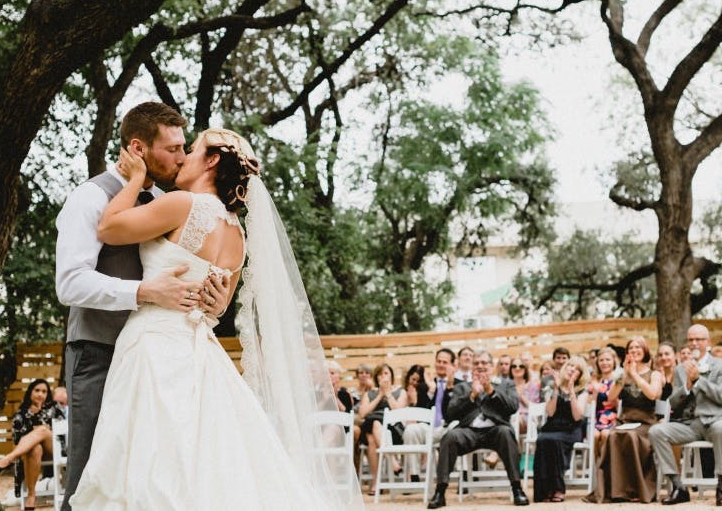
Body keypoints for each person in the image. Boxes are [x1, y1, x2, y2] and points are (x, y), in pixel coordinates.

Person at [68, 128, 361, 509]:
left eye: (191, 150)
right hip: (201, 354)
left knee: (151, 460)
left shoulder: (182, 204)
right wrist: (218, 306)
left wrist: (137, 178)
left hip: (154, 345)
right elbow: (218, 305)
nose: (183, 157)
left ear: (211, 161)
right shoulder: (237, 235)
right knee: (208, 461)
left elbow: (109, 227)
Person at [54, 102, 218, 511]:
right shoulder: (89, 197)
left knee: (147, 476)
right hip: (98, 351)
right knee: (91, 473)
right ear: (138, 149)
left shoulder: (168, 201)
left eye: (185, 148)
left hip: (158, 360)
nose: (182, 157)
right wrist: (143, 293)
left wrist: (213, 298)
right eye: (174, 149)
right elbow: (69, 283)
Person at [427, 350, 529, 508]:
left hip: (496, 430)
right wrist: (472, 396)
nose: (480, 366)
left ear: (491, 366)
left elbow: (513, 407)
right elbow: (451, 413)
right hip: (469, 431)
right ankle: (440, 492)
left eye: (484, 363)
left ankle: (517, 489)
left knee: (506, 433)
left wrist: (491, 391)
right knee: (450, 437)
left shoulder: (505, 384)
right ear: (472, 367)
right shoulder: (462, 387)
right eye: (476, 363)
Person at [649, 324, 722, 507]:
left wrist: (699, 380)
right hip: (692, 424)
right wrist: (687, 386)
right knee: (657, 431)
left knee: (721, 430)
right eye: (691, 340)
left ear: (708, 342)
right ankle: (678, 486)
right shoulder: (681, 369)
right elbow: (673, 402)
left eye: (699, 339)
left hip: (718, 420)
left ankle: (721, 487)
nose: (694, 343)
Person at [584, 337, 663, 503]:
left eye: (637, 347)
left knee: (631, 437)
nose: (634, 351)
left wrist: (635, 374)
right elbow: (611, 397)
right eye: (631, 348)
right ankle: (616, 490)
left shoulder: (654, 374)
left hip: (646, 422)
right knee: (612, 436)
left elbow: (653, 394)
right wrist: (625, 374)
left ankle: (636, 489)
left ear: (645, 350)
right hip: (625, 420)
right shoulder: (622, 375)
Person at [0, 379, 64, 509]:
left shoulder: (54, 408)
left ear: (48, 394)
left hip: (55, 448)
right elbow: (18, 440)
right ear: (30, 392)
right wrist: (34, 415)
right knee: (35, 448)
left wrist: (42, 427)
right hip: (34, 452)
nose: (40, 394)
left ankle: (8, 458)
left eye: (44, 391)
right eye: (37, 390)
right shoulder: (21, 414)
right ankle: (31, 497)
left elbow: (62, 432)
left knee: (42, 430)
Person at [533, 356, 590, 502]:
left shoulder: (582, 390)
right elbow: (550, 412)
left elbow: (577, 416)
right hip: (553, 426)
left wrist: (571, 392)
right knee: (542, 439)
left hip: (572, 429)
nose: (572, 369)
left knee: (554, 440)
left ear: (581, 375)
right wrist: (557, 388)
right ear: (565, 367)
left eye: (577, 369)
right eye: (571, 365)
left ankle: (558, 488)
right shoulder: (552, 386)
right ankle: (544, 491)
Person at [402, 348, 456, 482]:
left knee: (457, 426)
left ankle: (459, 475)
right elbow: (420, 410)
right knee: (411, 430)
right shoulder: (423, 386)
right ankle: (414, 475)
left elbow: (455, 409)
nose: (441, 365)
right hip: (428, 428)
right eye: (439, 361)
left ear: (452, 365)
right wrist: (431, 392)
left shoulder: (458, 385)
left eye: (445, 362)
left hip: (447, 427)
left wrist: (449, 386)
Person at [358, 362, 408, 493]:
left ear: (391, 375)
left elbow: (399, 413)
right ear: (376, 378)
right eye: (380, 374)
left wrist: (388, 394)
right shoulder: (370, 394)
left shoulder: (400, 391)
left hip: (393, 429)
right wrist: (380, 395)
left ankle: (375, 482)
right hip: (371, 424)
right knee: (374, 424)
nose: (383, 376)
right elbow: (362, 413)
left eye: (386, 373)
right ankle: (392, 461)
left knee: (372, 440)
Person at [586, 347, 619, 455]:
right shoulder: (594, 381)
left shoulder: (618, 381)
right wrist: (595, 390)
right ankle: (596, 467)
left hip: (613, 417)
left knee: (605, 434)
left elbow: (619, 405)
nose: (604, 363)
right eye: (601, 360)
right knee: (595, 436)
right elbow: (589, 404)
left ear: (614, 362)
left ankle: (606, 467)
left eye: (608, 360)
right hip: (595, 418)